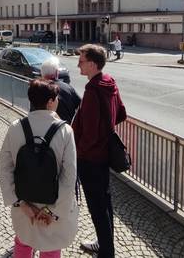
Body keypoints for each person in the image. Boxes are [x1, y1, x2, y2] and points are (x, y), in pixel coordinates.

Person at [0, 78, 78, 258]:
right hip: (53, 204)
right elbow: (69, 176)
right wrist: (52, 211)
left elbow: (4, 168)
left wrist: (20, 203)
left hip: (24, 204)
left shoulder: (16, 127)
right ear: (50, 102)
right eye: (56, 98)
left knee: (23, 241)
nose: (58, 101)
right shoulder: (65, 131)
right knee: (51, 247)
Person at [72, 44, 127, 257]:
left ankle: (106, 252)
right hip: (104, 156)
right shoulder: (109, 82)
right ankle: (104, 245)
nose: (78, 65)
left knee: (97, 208)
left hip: (91, 159)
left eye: (81, 61)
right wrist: (106, 130)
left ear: (93, 64)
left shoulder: (93, 89)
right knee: (105, 204)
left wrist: (80, 152)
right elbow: (121, 114)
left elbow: (91, 133)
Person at [34, 57, 81, 123]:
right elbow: (80, 105)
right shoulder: (68, 88)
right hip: (65, 128)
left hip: (42, 127)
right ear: (56, 73)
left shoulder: (36, 89)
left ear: (42, 73)